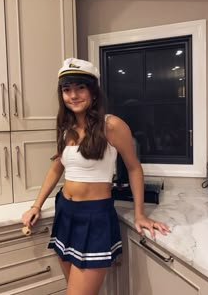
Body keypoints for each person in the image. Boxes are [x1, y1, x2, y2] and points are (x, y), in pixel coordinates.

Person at [22, 58, 170, 295]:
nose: (73, 95)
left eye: (80, 87)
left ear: (93, 90)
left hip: (95, 216)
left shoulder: (111, 125)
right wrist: (36, 205)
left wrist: (140, 214)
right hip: (65, 213)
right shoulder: (65, 127)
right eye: (66, 89)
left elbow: (134, 168)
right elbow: (56, 167)